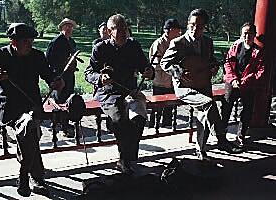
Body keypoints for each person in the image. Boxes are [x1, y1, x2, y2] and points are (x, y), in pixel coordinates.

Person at [0, 23, 64, 197]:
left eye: (31, 41)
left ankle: (25, 174)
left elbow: (49, 75)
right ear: (13, 42)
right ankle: (35, 177)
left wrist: (56, 82)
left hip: (31, 105)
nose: (29, 45)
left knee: (29, 130)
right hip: (8, 107)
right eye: (25, 41)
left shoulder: (37, 56)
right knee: (30, 127)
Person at [160, 8, 243, 161]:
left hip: (203, 83)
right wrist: (179, 72)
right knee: (208, 103)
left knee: (205, 113)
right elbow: (165, 63)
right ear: (187, 24)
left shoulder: (208, 42)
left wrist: (213, 67)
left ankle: (201, 150)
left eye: (199, 25)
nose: (195, 28)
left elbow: (209, 60)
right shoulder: (178, 43)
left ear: (204, 26)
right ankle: (221, 139)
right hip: (185, 87)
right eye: (192, 24)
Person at [85, 14, 154, 174]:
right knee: (119, 119)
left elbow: (145, 66)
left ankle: (127, 158)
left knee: (139, 119)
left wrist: (148, 72)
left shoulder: (133, 46)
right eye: (119, 28)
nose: (124, 31)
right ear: (110, 31)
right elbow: (88, 73)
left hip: (131, 92)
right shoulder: (101, 48)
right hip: (109, 94)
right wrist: (100, 77)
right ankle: (125, 160)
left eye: (125, 28)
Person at [221, 22, 265, 146]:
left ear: (254, 35)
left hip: (248, 84)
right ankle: (222, 134)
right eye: (245, 33)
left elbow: (260, 70)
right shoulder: (235, 47)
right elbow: (227, 64)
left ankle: (241, 135)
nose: (247, 36)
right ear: (241, 34)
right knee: (227, 105)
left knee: (247, 110)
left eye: (250, 34)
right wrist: (234, 79)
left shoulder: (258, 51)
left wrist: (245, 81)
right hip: (233, 81)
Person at [149, 18, 183, 128]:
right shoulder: (159, 43)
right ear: (171, 30)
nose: (179, 32)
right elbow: (156, 64)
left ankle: (167, 127)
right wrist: (172, 67)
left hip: (171, 82)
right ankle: (153, 127)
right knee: (157, 108)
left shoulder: (177, 43)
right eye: (178, 30)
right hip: (160, 82)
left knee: (170, 107)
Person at [46, 18, 77, 134]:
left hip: (70, 75)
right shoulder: (56, 42)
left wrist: (73, 64)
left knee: (69, 98)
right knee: (60, 98)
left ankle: (65, 123)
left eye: (70, 26)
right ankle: (57, 122)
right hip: (59, 75)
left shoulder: (72, 42)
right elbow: (48, 59)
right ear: (61, 28)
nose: (69, 28)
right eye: (66, 26)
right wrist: (54, 75)